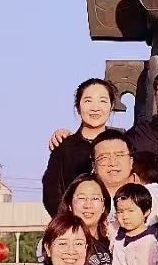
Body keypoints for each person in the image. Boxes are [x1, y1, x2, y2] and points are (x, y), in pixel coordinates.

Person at [42, 77, 119, 214]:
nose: (95, 108)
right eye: (88, 101)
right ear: (78, 107)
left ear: (111, 106)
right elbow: (51, 193)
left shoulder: (121, 144)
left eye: (102, 101)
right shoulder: (64, 147)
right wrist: (70, 222)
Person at [51, 174, 124, 265]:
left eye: (95, 198)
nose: (88, 205)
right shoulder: (63, 244)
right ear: (70, 206)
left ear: (104, 206)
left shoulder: (113, 243)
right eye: (81, 198)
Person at [112, 183, 158, 265]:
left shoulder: (148, 242)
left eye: (131, 211)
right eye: (120, 211)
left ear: (146, 211)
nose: (125, 216)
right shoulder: (116, 231)